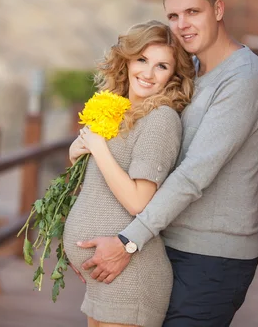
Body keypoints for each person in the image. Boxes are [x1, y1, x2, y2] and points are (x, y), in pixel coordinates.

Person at [74, 0, 258, 326]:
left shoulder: (243, 79)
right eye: (173, 15)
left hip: (211, 257)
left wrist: (126, 242)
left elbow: (193, 175)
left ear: (218, 9)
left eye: (193, 12)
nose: (182, 24)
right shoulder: (188, 73)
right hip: (163, 243)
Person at [64, 20, 195, 327]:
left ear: (174, 75)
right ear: (127, 60)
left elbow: (138, 201)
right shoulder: (116, 110)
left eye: (161, 66)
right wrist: (76, 156)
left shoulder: (160, 119)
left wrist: (98, 148)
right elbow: (102, 186)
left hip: (130, 277)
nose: (148, 74)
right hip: (104, 276)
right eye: (142, 60)